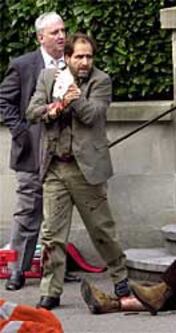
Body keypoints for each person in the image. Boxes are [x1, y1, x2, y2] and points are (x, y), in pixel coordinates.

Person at [25, 32, 130, 310]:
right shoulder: (48, 78)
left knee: (102, 231)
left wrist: (74, 98)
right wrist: (54, 108)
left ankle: (121, 278)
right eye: (79, 57)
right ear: (67, 57)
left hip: (86, 170)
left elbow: (93, 115)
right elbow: (32, 112)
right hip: (55, 167)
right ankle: (50, 291)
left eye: (89, 56)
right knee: (52, 235)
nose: (85, 62)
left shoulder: (101, 80)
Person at [0, 12, 66, 291]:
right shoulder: (24, 65)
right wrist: (21, 132)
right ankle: (17, 270)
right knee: (28, 213)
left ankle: (54, 272)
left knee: (58, 214)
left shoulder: (73, 62)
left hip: (65, 152)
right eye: (55, 33)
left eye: (63, 31)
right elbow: (5, 101)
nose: (62, 36)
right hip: (32, 153)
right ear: (41, 37)